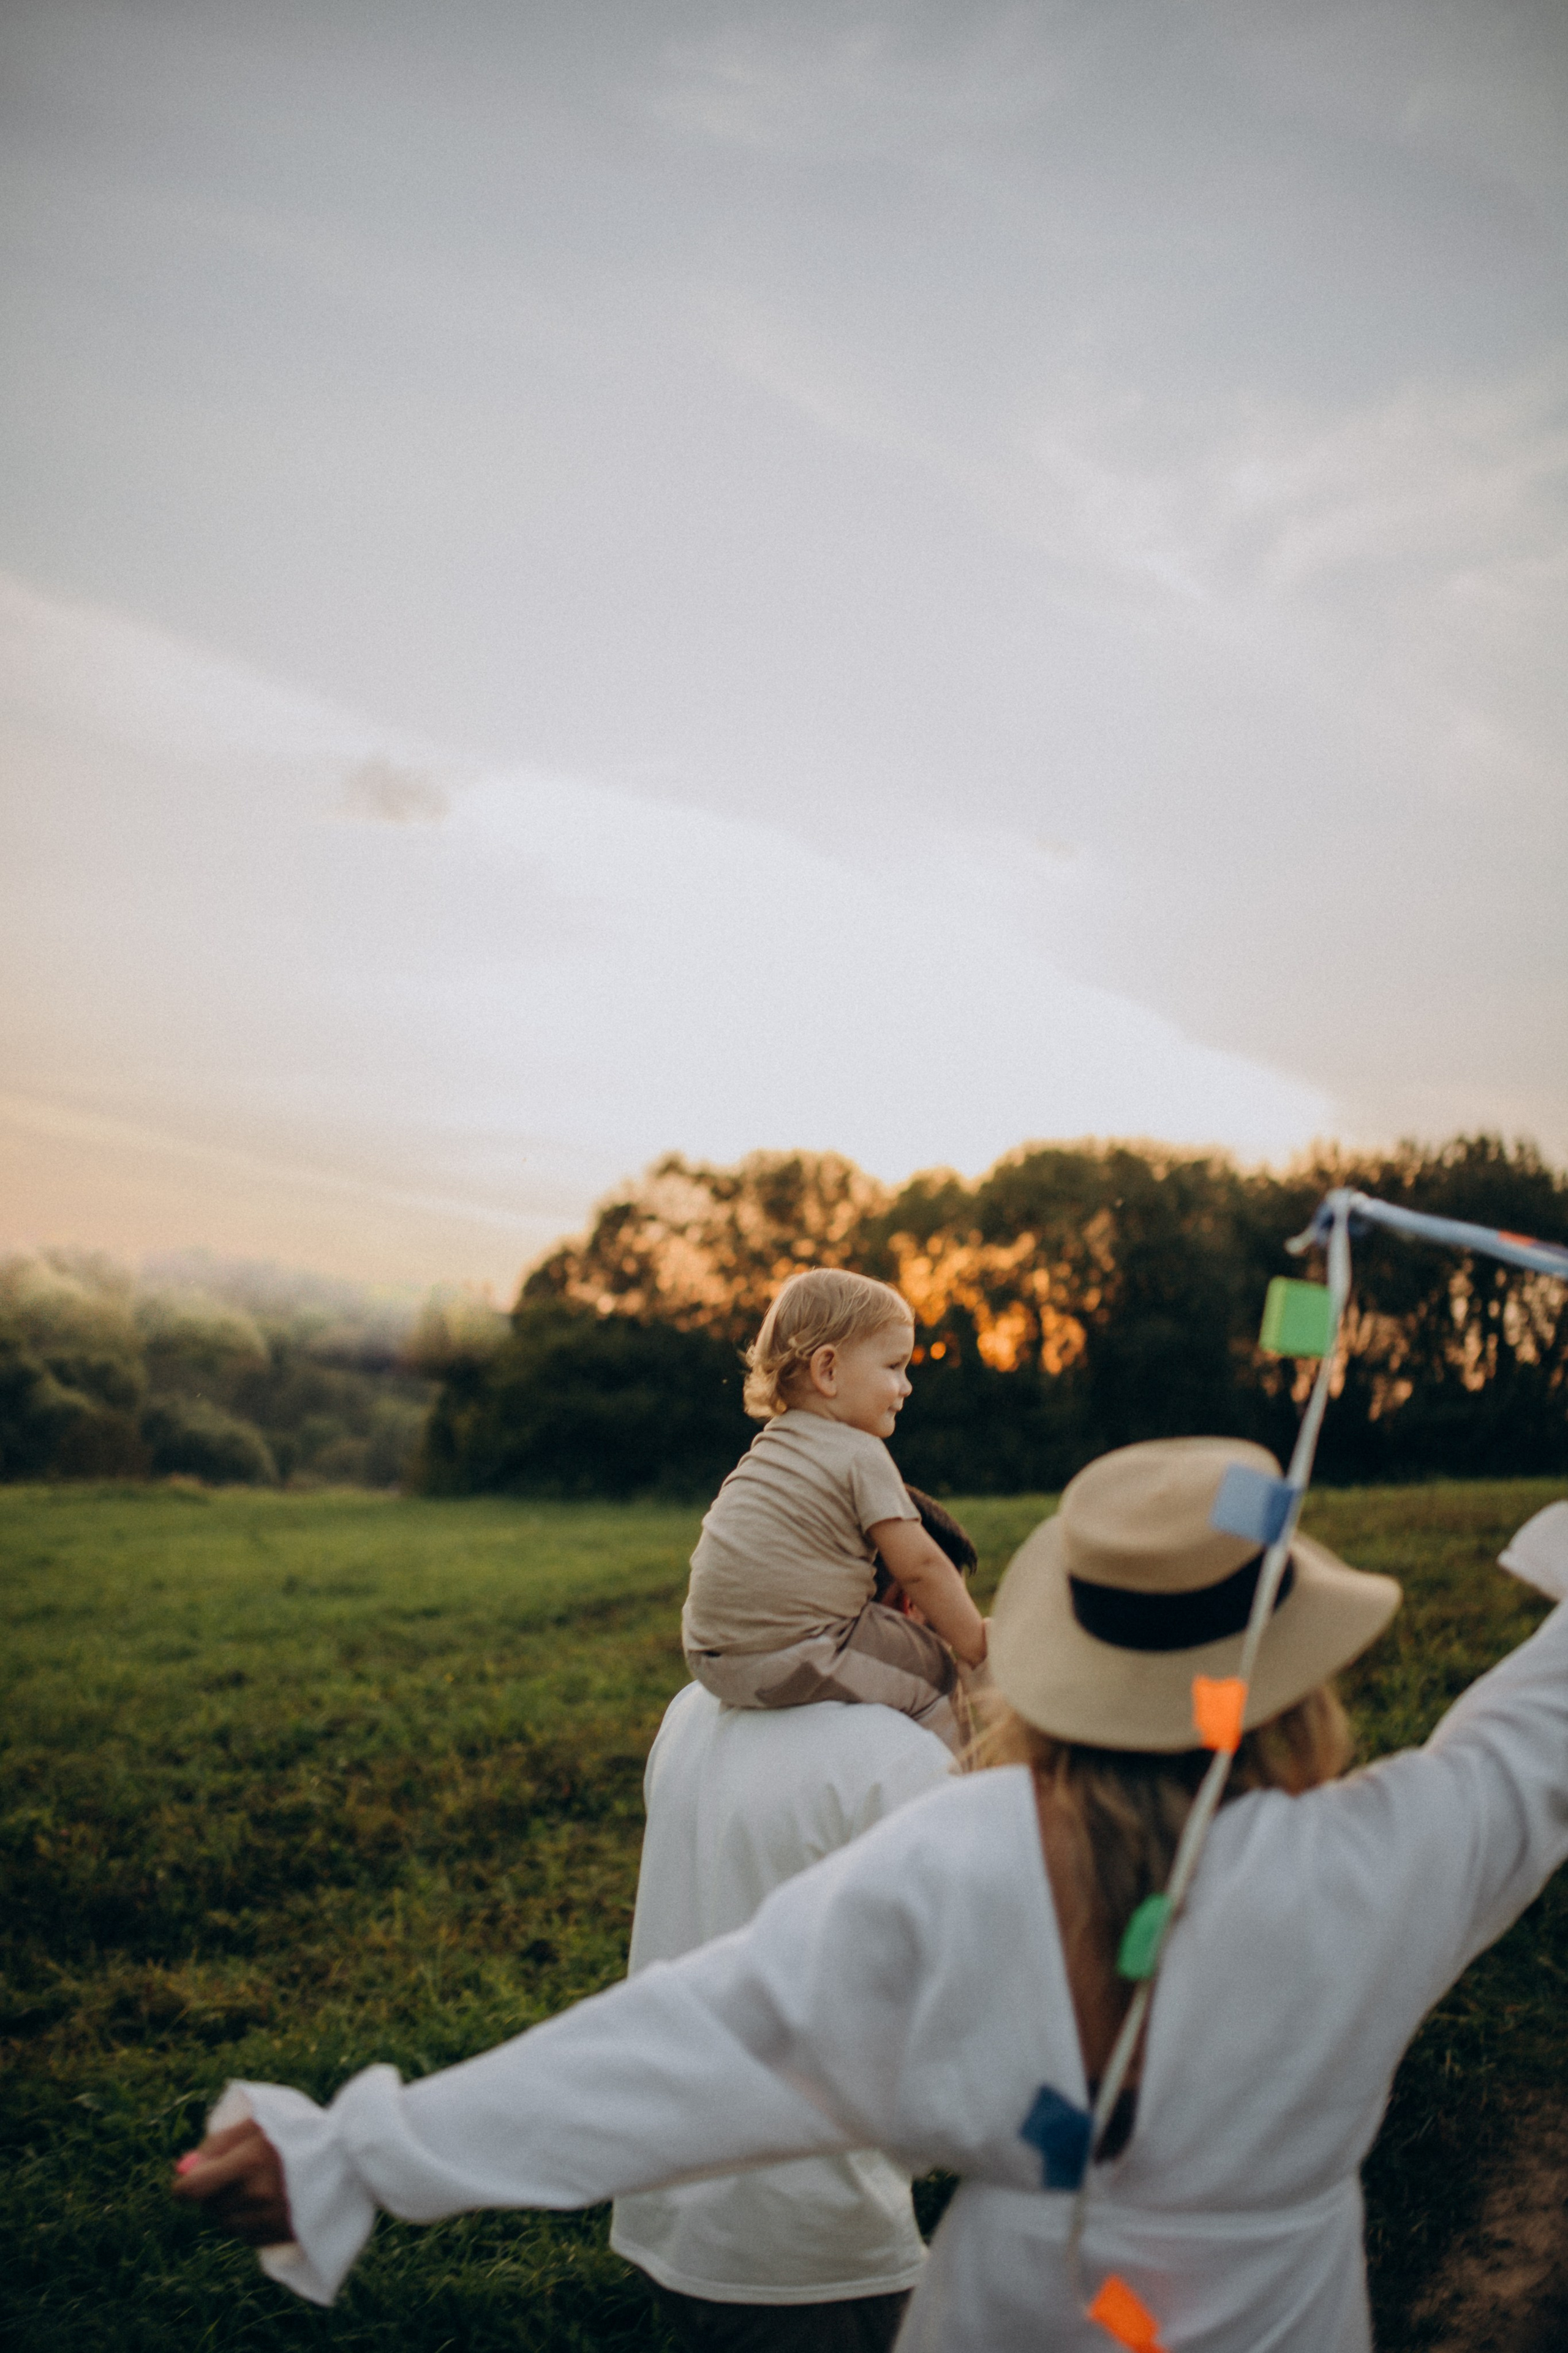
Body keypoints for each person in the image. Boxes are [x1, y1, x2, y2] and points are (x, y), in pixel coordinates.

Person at [173, 1439, 1568, 2353]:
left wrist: (351, 2152)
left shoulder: (955, 1852)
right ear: (1296, 1679)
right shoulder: (1391, 1852)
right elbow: (1533, 1736)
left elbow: (683, 2040)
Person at [609, 1679, 952, 2349]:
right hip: (814, 2246)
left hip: (667, 2209)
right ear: (910, 1602)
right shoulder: (898, 1755)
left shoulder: (692, 1706)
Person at [682, 1270, 988, 1751]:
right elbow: (922, 1567)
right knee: (935, 1670)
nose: (906, 1386)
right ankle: (956, 1788)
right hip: (794, 1651)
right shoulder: (860, 1453)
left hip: (707, 1657)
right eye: (894, 1366)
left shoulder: (768, 1449)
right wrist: (976, 1645)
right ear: (828, 1370)